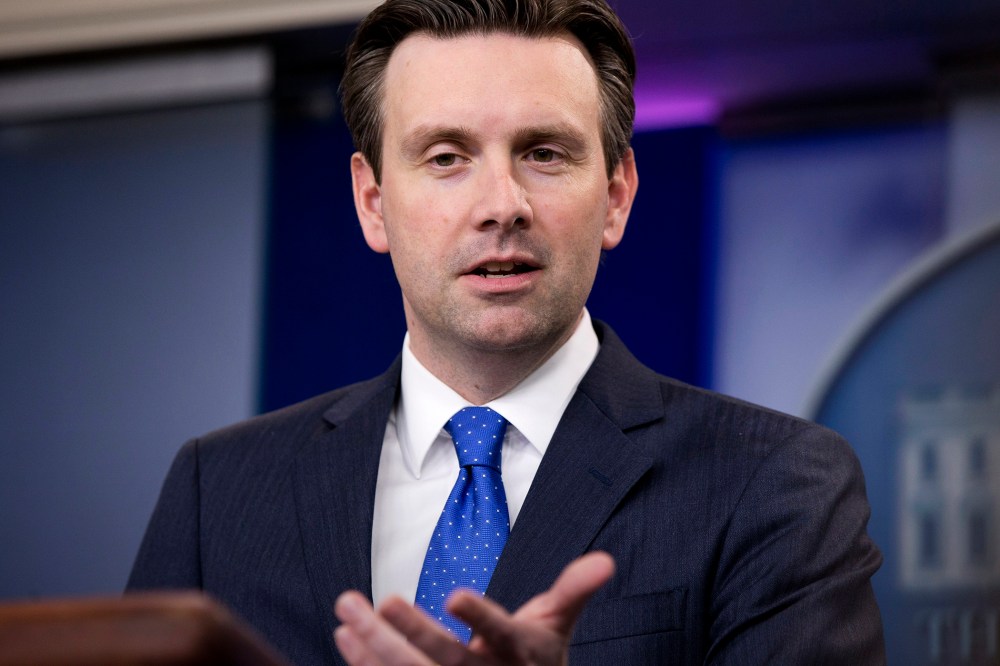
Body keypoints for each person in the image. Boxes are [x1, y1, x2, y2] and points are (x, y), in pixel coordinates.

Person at [128, 0, 886, 663]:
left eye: (544, 154)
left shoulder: (773, 484)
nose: (501, 204)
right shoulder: (218, 492)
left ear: (617, 195)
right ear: (371, 201)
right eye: (447, 157)